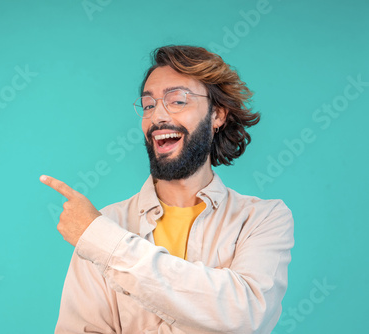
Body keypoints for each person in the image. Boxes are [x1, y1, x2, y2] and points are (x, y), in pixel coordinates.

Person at [40, 45, 294, 334]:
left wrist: (104, 244)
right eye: (148, 105)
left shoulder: (262, 219)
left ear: (218, 115)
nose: (158, 116)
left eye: (177, 101)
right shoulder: (107, 222)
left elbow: (246, 314)